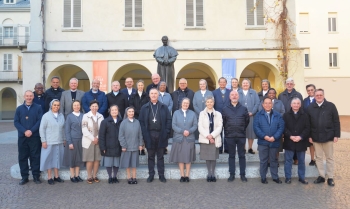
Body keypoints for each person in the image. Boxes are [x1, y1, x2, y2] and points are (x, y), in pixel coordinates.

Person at [308, 89, 340, 186]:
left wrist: (336, 135)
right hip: (315, 137)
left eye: (320, 95)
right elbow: (308, 124)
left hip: (328, 136)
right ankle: (321, 176)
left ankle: (330, 177)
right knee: (318, 158)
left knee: (329, 158)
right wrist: (309, 136)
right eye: (317, 95)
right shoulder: (310, 108)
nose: (318, 96)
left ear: (323, 95)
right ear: (314, 96)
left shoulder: (331, 106)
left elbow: (336, 121)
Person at [139, 88, 172, 183]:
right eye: (152, 93)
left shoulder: (163, 107)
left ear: (158, 95)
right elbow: (141, 121)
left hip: (161, 134)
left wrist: (166, 132)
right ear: (149, 95)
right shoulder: (144, 107)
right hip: (149, 134)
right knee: (150, 156)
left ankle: (161, 175)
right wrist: (145, 134)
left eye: (155, 93)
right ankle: (151, 174)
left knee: (160, 156)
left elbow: (169, 120)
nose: (153, 95)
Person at [14, 90, 43, 185]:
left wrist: (31, 130)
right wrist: (24, 131)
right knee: (22, 157)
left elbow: (40, 121)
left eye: (30, 96)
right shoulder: (19, 109)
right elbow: (16, 122)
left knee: (35, 156)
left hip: (34, 136)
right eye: (27, 96)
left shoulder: (38, 108)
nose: (29, 97)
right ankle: (24, 177)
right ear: (24, 97)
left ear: (33, 97)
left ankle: (36, 176)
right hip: (22, 137)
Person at [254, 97, 285, 184]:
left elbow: (281, 127)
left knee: (274, 160)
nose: (267, 105)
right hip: (263, 142)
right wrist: (265, 137)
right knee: (263, 160)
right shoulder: (258, 115)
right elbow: (256, 128)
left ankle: (275, 177)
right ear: (263, 105)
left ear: (272, 104)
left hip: (274, 141)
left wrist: (274, 137)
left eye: (269, 103)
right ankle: (263, 177)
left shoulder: (278, 115)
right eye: (266, 103)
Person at [222, 91, 250, 182]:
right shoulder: (225, 109)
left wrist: (241, 128)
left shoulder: (244, 108)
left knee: (242, 155)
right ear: (229, 97)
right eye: (232, 95)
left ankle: (242, 174)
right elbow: (223, 122)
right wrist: (227, 130)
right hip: (230, 136)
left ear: (238, 97)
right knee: (231, 155)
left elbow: (247, 121)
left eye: (236, 95)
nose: (234, 96)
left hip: (241, 135)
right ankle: (232, 174)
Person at [170, 98, 198, 182]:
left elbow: (195, 125)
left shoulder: (192, 113)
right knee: (180, 158)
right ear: (181, 104)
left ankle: (187, 175)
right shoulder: (176, 113)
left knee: (188, 158)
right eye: (184, 103)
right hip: (179, 138)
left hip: (189, 138)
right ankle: (182, 175)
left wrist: (189, 131)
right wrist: (182, 131)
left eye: (187, 103)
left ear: (189, 104)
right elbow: (174, 125)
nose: (185, 104)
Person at [283, 98, 310, 185]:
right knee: (288, 161)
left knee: (301, 161)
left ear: (300, 105)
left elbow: (307, 128)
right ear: (291, 105)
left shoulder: (305, 115)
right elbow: (284, 127)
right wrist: (290, 136)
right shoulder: (286, 115)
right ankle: (288, 177)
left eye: (297, 103)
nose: (296, 105)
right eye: (294, 103)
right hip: (289, 141)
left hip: (301, 141)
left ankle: (301, 177)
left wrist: (300, 136)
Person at [39, 99, 66, 185]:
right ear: (51, 106)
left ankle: (56, 176)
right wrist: (43, 141)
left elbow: (63, 128)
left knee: (57, 158)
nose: (56, 107)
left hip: (59, 141)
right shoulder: (46, 116)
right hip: (49, 141)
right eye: (54, 105)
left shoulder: (61, 115)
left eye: (58, 105)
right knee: (49, 159)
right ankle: (49, 177)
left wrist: (64, 139)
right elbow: (42, 129)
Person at [278, 77, 303, 165]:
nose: (289, 85)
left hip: (295, 119)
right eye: (287, 84)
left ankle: (296, 158)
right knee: (287, 138)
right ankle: (288, 157)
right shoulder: (281, 95)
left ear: (293, 85)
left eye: (291, 84)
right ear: (285, 85)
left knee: (295, 137)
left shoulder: (298, 95)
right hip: (285, 119)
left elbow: (301, 108)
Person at [198, 96, 222, 182]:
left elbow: (220, 126)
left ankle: (213, 173)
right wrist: (208, 136)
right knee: (208, 157)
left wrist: (212, 136)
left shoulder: (218, 114)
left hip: (215, 138)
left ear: (213, 103)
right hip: (205, 138)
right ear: (205, 103)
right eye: (208, 102)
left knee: (213, 157)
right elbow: (200, 127)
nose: (209, 103)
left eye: (211, 102)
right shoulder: (202, 113)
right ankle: (209, 173)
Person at [119, 107, 144, 184]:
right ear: (127, 113)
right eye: (129, 111)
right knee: (127, 163)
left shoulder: (137, 122)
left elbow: (140, 134)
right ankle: (129, 177)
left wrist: (140, 144)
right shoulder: (123, 122)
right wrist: (123, 145)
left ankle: (134, 177)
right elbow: (121, 135)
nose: (131, 113)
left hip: (135, 146)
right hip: (127, 147)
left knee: (134, 163)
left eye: (132, 111)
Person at [99, 105, 122, 184]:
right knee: (108, 163)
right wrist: (102, 147)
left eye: (116, 110)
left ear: (118, 111)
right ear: (110, 111)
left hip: (118, 145)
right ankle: (110, 177)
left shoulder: (121, 121)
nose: (114, 111)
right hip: (108, 146)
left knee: (116, 163)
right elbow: (101, 135)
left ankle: (115, 176)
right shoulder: (105, 122)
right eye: (113, 110)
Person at [82, 100, 104, 184]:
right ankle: (89, 176)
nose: (94, 108)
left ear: (98, 107)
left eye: (96, 106)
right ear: (90, 107)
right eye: (93, 106)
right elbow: (84, 129)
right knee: (89, 160)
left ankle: (95, 175)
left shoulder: (101, 116)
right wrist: (93, 138)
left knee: (97, 160)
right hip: (89, 141)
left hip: (98, 141)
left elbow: (102, 129)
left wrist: (97, 138)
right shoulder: (85, 116)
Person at [63, 100, 84, 183]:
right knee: (72, 158)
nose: (76, 107)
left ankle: (77, 175)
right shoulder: (69, 116)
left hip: (81, 140)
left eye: (78, 105)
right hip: (72, 140)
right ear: (72, 106)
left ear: (80, 106)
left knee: (79, 158)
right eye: (75, 105)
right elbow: (67, 130)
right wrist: (69, 142)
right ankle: (72, 176)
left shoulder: (83, 115)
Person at [238, 79, 260, 154]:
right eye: (244, 83)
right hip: (241, 116)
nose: (245, 84)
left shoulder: (253, 92)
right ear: (241, 84)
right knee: (243, 132)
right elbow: (236, 103)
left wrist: (252, 112)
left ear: (249, 84)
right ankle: (243, 148)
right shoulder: (238, 92)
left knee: (251, 132)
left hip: (251, 116)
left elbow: (257, 103)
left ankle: (250, 148)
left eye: (247, 83)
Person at [129, 80, 149, 155]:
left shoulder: (147, 95)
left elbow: (148, 105)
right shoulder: (133, 95)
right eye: (139, 85)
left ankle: (143, 148)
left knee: (143, 132)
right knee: (136, 132)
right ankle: (137, 148)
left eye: (141, 85)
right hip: (135, 116)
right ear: (137, 86)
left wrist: (143, 112)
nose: (140, 86)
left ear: (143, 86)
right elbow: (131, 105)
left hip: (145, 117)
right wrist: (137, 112)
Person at [212, 77, 230, 154]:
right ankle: (219, 148)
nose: (222, 83)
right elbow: (212, 103)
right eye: (221, 82)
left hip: (228, 115)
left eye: (224, 82)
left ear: (226, 83)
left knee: (227, 132)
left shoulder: (230, 92)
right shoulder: (214, 92)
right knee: (218, 132)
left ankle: (227, 148)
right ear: (219, 83)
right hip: (217, 115)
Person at [157, 81, 173, 155]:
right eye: (161, 85)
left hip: (166, 116)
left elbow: (171, 104)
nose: (163, 87)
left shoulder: (168, 95)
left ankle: (165, 148)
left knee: (165, 132)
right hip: (157, 116)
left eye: (164, 85)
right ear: (159, 86)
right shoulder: (156, 94)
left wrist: (166, 111)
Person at [303, 84, 316, 166]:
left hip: (316, 125)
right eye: (308, 90)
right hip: (307, 124)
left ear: (315, 90)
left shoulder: (319, 99)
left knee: (315, 143)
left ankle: (315, 159)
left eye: (312, 90)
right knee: (308, 143)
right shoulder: (305, 100)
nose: (310, 91)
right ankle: (308, 159)